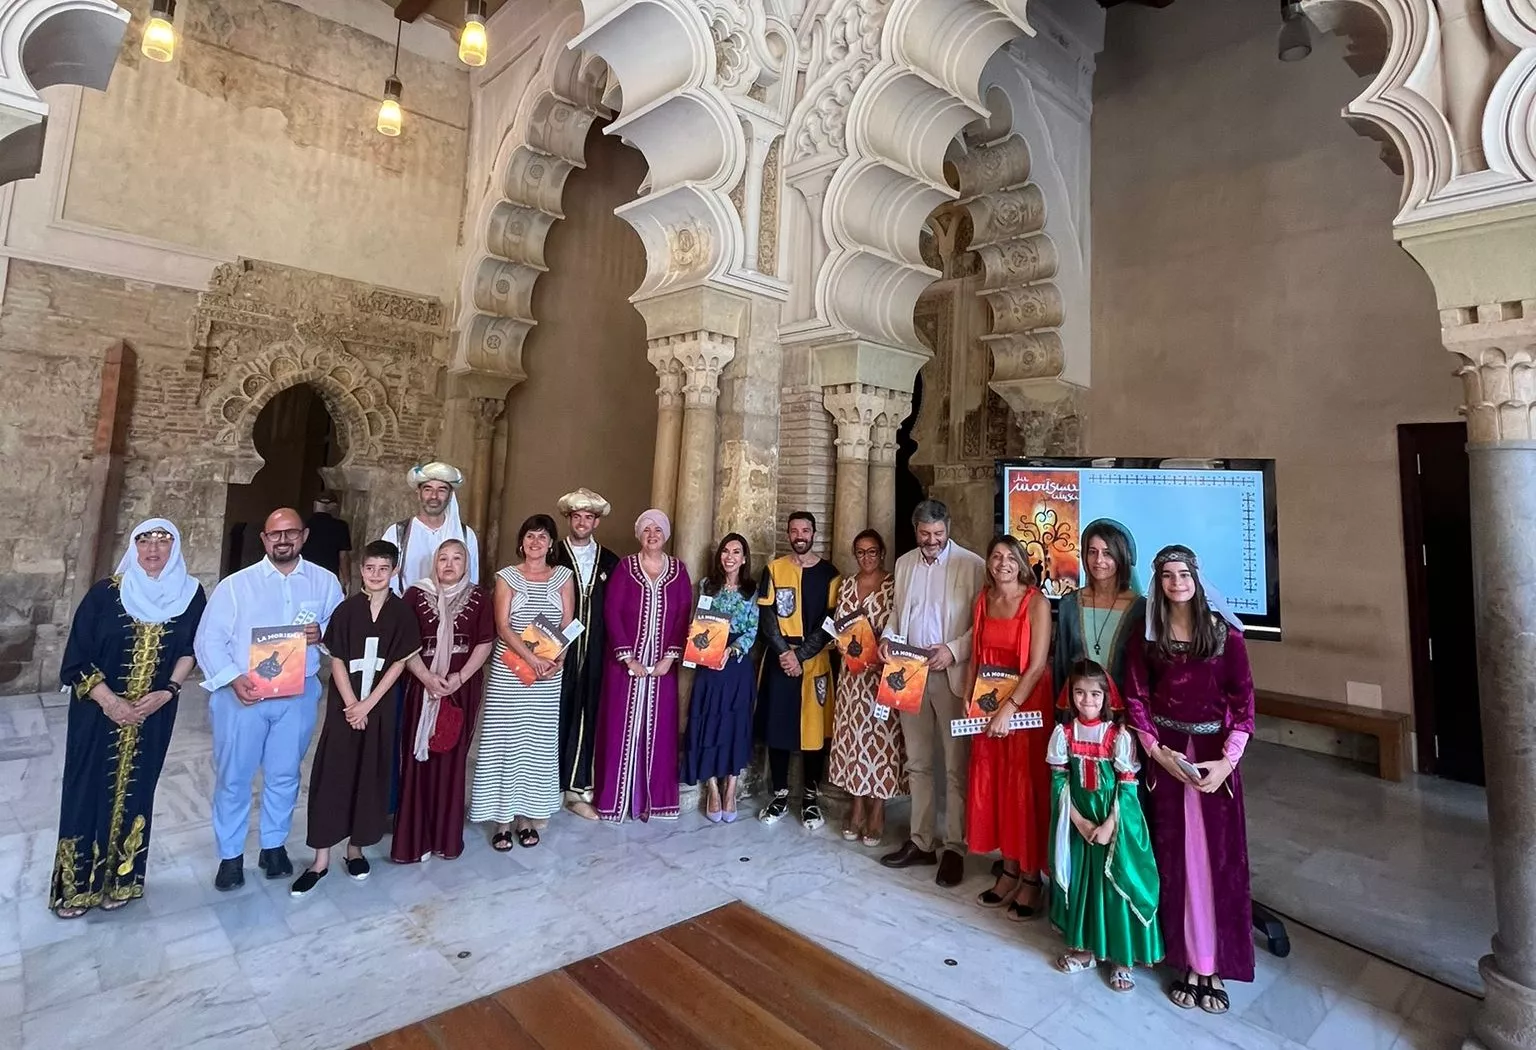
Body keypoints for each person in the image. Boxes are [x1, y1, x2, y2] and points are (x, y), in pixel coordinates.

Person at [1124, 544, 1257, 1014]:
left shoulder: (1227, 637)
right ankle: (1183, 958)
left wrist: (1225, 764)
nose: (1176, 582)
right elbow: (1136, 696)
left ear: (1197, 578)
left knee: (1213, 861)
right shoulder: (1149, 637)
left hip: (1213, 765)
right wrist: (1156, 751)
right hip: (1167, 763)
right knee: (1172, 859)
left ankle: (1213, 963)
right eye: (1167, 575)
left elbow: (1244, 707)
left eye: (1183, 574)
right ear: (1157, 582)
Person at [50, 519, 206, 918]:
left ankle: (121, 879)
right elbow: (76, 659)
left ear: (176, 547)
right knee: (85, 790)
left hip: (154, 713)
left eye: (163, 541)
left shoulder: (190, 595)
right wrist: (110, 702)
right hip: (96, 712)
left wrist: (167, 691)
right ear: (134, 548)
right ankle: (75, 888)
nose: (153, 549)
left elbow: (191, 648)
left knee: (136, 792)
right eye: (144, 541)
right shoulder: (105, 594)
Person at [195, 508, 343, 890]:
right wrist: (232, 679)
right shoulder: (236, 586)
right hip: (243, 696)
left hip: (297, 693)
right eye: (275, 534)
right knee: (235, 776)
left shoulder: (325, 582)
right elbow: (208, 639)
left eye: (291, 533)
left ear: (304, 536)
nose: (283, 540)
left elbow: (341, 631)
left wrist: (322, 632)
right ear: (264, 539)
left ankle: (273, 845)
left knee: (284, 772)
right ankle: (230, 855)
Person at [290, 541, 419, 895]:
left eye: (383, 569)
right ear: (361, 569)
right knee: (334, 774)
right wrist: (351, 704)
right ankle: (320, 859)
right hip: (343, 710)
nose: (375, 575)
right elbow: (338, 660)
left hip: (378, 708)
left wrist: (368, 705)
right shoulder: (346, 611)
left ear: (394, 571)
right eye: (369, 568)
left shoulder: (402, 613)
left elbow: (398, 663)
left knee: (370, 775)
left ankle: (355, 849)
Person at [879, 499, 985, 887]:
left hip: (951, 676)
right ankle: (921, 841)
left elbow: (981, 624)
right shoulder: (905, 564)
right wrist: (889, 640)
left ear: (948, 528)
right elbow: (897, 613)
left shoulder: (971, 565)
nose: (932, 541)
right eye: (925, 535)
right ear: (915, 531)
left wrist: (953, 650)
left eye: (938, 534)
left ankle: (955, 847)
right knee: (918, 763)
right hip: (909, 674)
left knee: (956, 767)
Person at [1047, 659, 1163, 992]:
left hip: (1114, 823)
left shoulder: (1118, 736)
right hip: (1079, 821)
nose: (1087, 701)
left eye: (1094, 695)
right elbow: (1058, 782)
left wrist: (1111, 824)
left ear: (1107, 697)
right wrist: (1080, 822)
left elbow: (1128, 785)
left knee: (1115, 886)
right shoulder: (1063, 734)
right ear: (1070, 696)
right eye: (1079, 694)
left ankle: (1121, 956)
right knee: (1084, 885)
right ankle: (1085, 948)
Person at [470, 514, 575, 850]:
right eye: (530, 536)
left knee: (537, 746)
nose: (536, 542)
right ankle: (502, 818)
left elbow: (569, 623)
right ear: (521, 541)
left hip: (547, 676)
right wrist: (531, 658)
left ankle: (528, 816)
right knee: (507, 742)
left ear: (551, 544)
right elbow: (502, 625)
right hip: (510, 674)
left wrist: (558, 660)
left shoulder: (563, 577)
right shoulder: (507, 576)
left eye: (543, 537)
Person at [967, 535, 1054, 918]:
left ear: (1022, 562)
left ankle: (1032, 878)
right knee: (997, 785)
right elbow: (976, 656)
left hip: (1026, 706)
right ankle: (1010, 868)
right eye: (996, 556)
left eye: (1010, 556)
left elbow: (1037, 666)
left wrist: (1010, 708)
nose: (1003, 562)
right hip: (988, 706)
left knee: (1023, 787)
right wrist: (969, 699)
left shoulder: (1036, 602)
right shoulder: (983, 601)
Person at [392, 539, 495, 863]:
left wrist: (458, 679)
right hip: (420, 687)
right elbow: (404, 644)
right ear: (434, 564)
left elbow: (484, 642)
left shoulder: (479, 597)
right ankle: (415, 840)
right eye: (443, 559)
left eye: (457, 559)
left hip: (460, 687)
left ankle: (444, 839)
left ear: (466, 564)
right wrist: (426, 678)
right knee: (417, 759)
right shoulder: (414, 595)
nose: (449, 565)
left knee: (451, 760)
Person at [593, 509, 692, 823]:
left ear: (666, 535)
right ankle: (617, 800)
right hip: (624, 667)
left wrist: (669, 657)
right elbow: (612, 612)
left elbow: (682, 616)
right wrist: (628, 658)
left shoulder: (678, 570)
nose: (653, 535)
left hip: (663, 668)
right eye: (647, 530)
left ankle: (655, 799)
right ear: (639, 535)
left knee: (659, 730)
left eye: (658, 530)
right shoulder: (625, 568)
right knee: (620, 729)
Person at [755, 512, 840, 829]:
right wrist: (784, 653)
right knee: (778, 729)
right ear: (788, 534)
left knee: (813, 733)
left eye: (805, 530)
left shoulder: (831, 575)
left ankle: (809, 799)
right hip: (780, 659)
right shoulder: (774, 569)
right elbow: (767, 615)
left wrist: (801, 655)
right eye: (794, 530)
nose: (800, 535)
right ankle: (778, 795)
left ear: (814, 533)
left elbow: (830, 622)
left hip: (814, 660)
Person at [826, 529, 906, 847]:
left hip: (880, 676)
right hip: (851, 679)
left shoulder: (893, 585)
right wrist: (841, 645)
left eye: (872, 552)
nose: (867, 558)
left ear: (882, 552)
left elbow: (900, 626)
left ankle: (877, 809)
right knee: (852, 740)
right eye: (860, 552)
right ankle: (856, 803)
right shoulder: (846, 584)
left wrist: (882, 656)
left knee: (881, 742)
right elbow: (838, 626)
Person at [549, 487, 620, 820]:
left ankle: (576, 788)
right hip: (555, 648)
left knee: (586, 714)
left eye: (588, 517)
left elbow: (620, 608)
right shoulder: (553, 555)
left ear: (596, 522)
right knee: (552, 711)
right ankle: (546, 786)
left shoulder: (611, 561)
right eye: (576, 517)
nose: (582, 522)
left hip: (595, 650)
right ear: (569, 519)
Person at [682, 533, 759, 823]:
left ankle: (731, 790)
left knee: (734, 725)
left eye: (736, 552)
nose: (729, 557)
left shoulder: (752, 589)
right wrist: (703, 646)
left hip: (737, 665)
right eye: (725, 551)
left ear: (743, 558)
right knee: (706, 720)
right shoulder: (707, 586)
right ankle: (712, 788)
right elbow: (697, 621)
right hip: (708, 660)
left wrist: (733, 649)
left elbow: (753, 629)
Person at [1052, 519, 1146, 697]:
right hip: (1077, 714)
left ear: (1121, 557)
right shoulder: (1069, 605)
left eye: (1108, 553)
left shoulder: (1140, 609)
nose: (1099, 560)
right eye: (1092, 552)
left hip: (1125, 718)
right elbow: (1061, 668)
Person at [380, 462, 480, 594]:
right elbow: (384, 580)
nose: (434, 496)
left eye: (442, 490)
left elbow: (471, 581)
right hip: (405, 611)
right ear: (418, 492)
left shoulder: (466, 535)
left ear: (450, 495)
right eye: (428, 489)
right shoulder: (396, 533)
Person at [303, 494, 353, 588]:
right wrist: (347, 581)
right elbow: (343, 557)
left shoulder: (303, 524)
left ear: (315, 504)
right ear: (333, 506)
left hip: (304, 575)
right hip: (329, 577)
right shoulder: (340, 526)